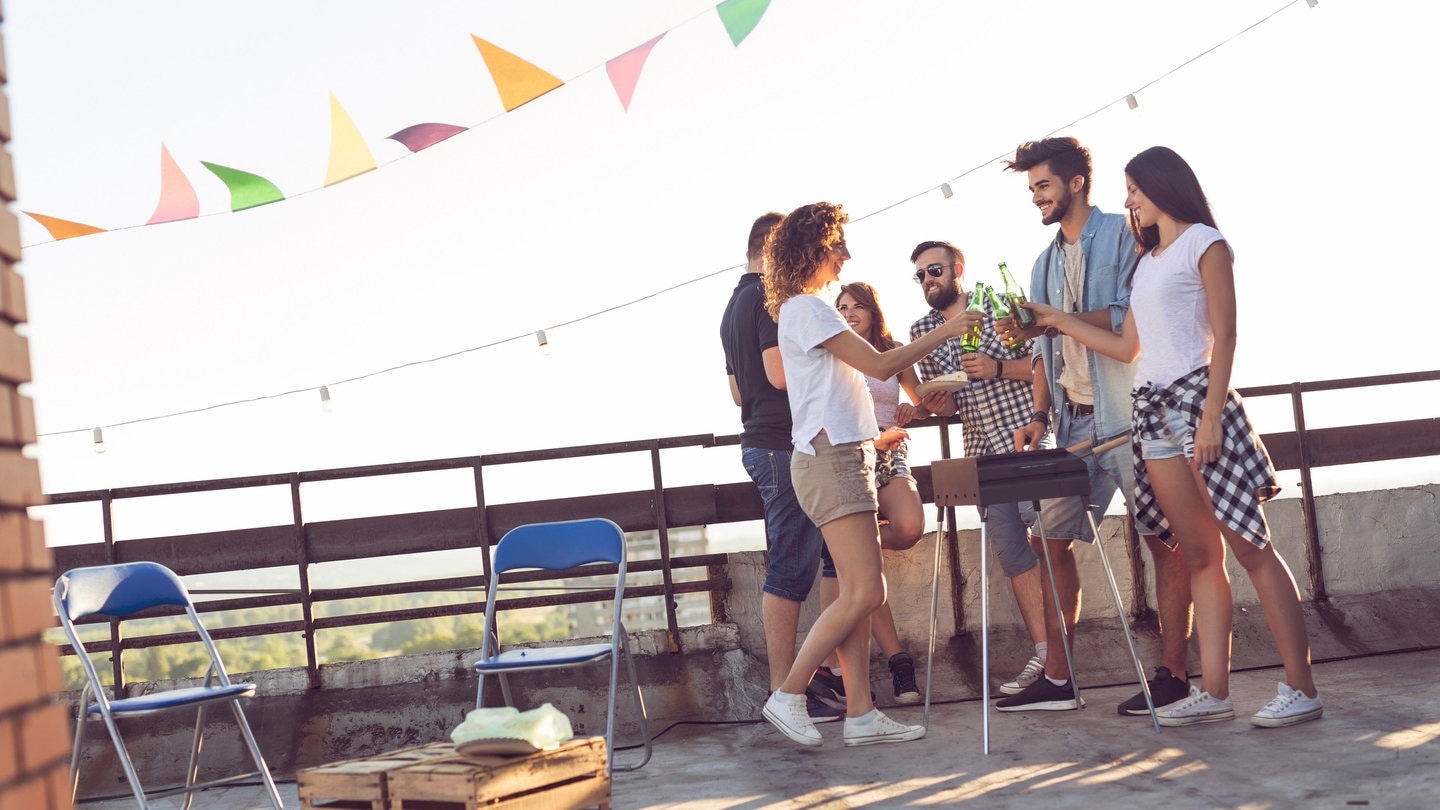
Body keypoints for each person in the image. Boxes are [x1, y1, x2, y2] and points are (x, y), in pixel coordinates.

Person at [1021, 146, 1322, 728]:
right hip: (1152, 416)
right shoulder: (1148, 258)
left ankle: (1300, 687)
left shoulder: (1205, 244)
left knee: (1252, 550)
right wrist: (1056, 320)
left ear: (1163, 186)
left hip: (1198, 406)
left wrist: (1211, 417)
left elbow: (1228, 336)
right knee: (1203, 556)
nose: (1128, 198)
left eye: (1135, 188)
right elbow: (1128, 347)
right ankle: (1212, 692)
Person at [995, 137, 1195, 715]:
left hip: (1132, 418)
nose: (1036, 197)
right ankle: (1058, 680)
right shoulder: (1042, 263)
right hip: (1071, 422)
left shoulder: (1124, 236)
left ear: (1076, 182)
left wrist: (1055, 319)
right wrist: (1037, 415)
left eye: (1043, 185)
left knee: (1164, 539)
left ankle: (1174, 675)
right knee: (1047, 538)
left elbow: (1131, 321)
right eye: (1032, 188)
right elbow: (1041, 352)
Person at [759, 201, 970, 747]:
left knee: (860, 591)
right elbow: (880, 365)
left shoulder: (809, 309)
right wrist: (953, 330)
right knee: (865, 590)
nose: (846, 255)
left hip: (847, 456)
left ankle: (860, 714)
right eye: (838, 246)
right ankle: (788, 695)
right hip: (831, 460)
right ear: (815, 249)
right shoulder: (807, 308)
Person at [907, 240, 1051, 697]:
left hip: (1026, 437)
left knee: (1049, 541)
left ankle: (1062, 658)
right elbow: (947, 400)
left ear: (957, 269)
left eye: (934, 270)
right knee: (1014, 554)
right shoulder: (922, 330)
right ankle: (1046, 654)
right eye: (920, 275)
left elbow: (1045, 366)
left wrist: (995, 367)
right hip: (980, 451)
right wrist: (933, 403)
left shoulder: (999, 305)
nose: (929, 280)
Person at [720, 212, 843, 725]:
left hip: (760, 442)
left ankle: (798, 685)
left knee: (802, 563)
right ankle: (783, 692)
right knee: (792, 567)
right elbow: (777, 374)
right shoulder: (770, 300)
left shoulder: (732, 306)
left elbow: (736, 393)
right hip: (779, 446)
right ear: (776, 248)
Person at [834, 280, 940, 704]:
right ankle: (898, 661)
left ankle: (860, 548)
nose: (849, 314)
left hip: (891, 451)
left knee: (910, 526)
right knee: (865, 564)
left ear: (873, 311)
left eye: (857, 306)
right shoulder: (834, 352)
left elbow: (925, 399)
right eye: (841, 307)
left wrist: (916, 408)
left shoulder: (892, 350)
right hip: (851, 456)